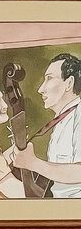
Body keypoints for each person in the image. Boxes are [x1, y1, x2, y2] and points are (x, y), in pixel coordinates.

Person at [12, 53, 81, 198]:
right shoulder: (61, 121)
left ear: (69, 83)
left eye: (49, 78)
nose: (40, 89)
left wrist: (33, 163)